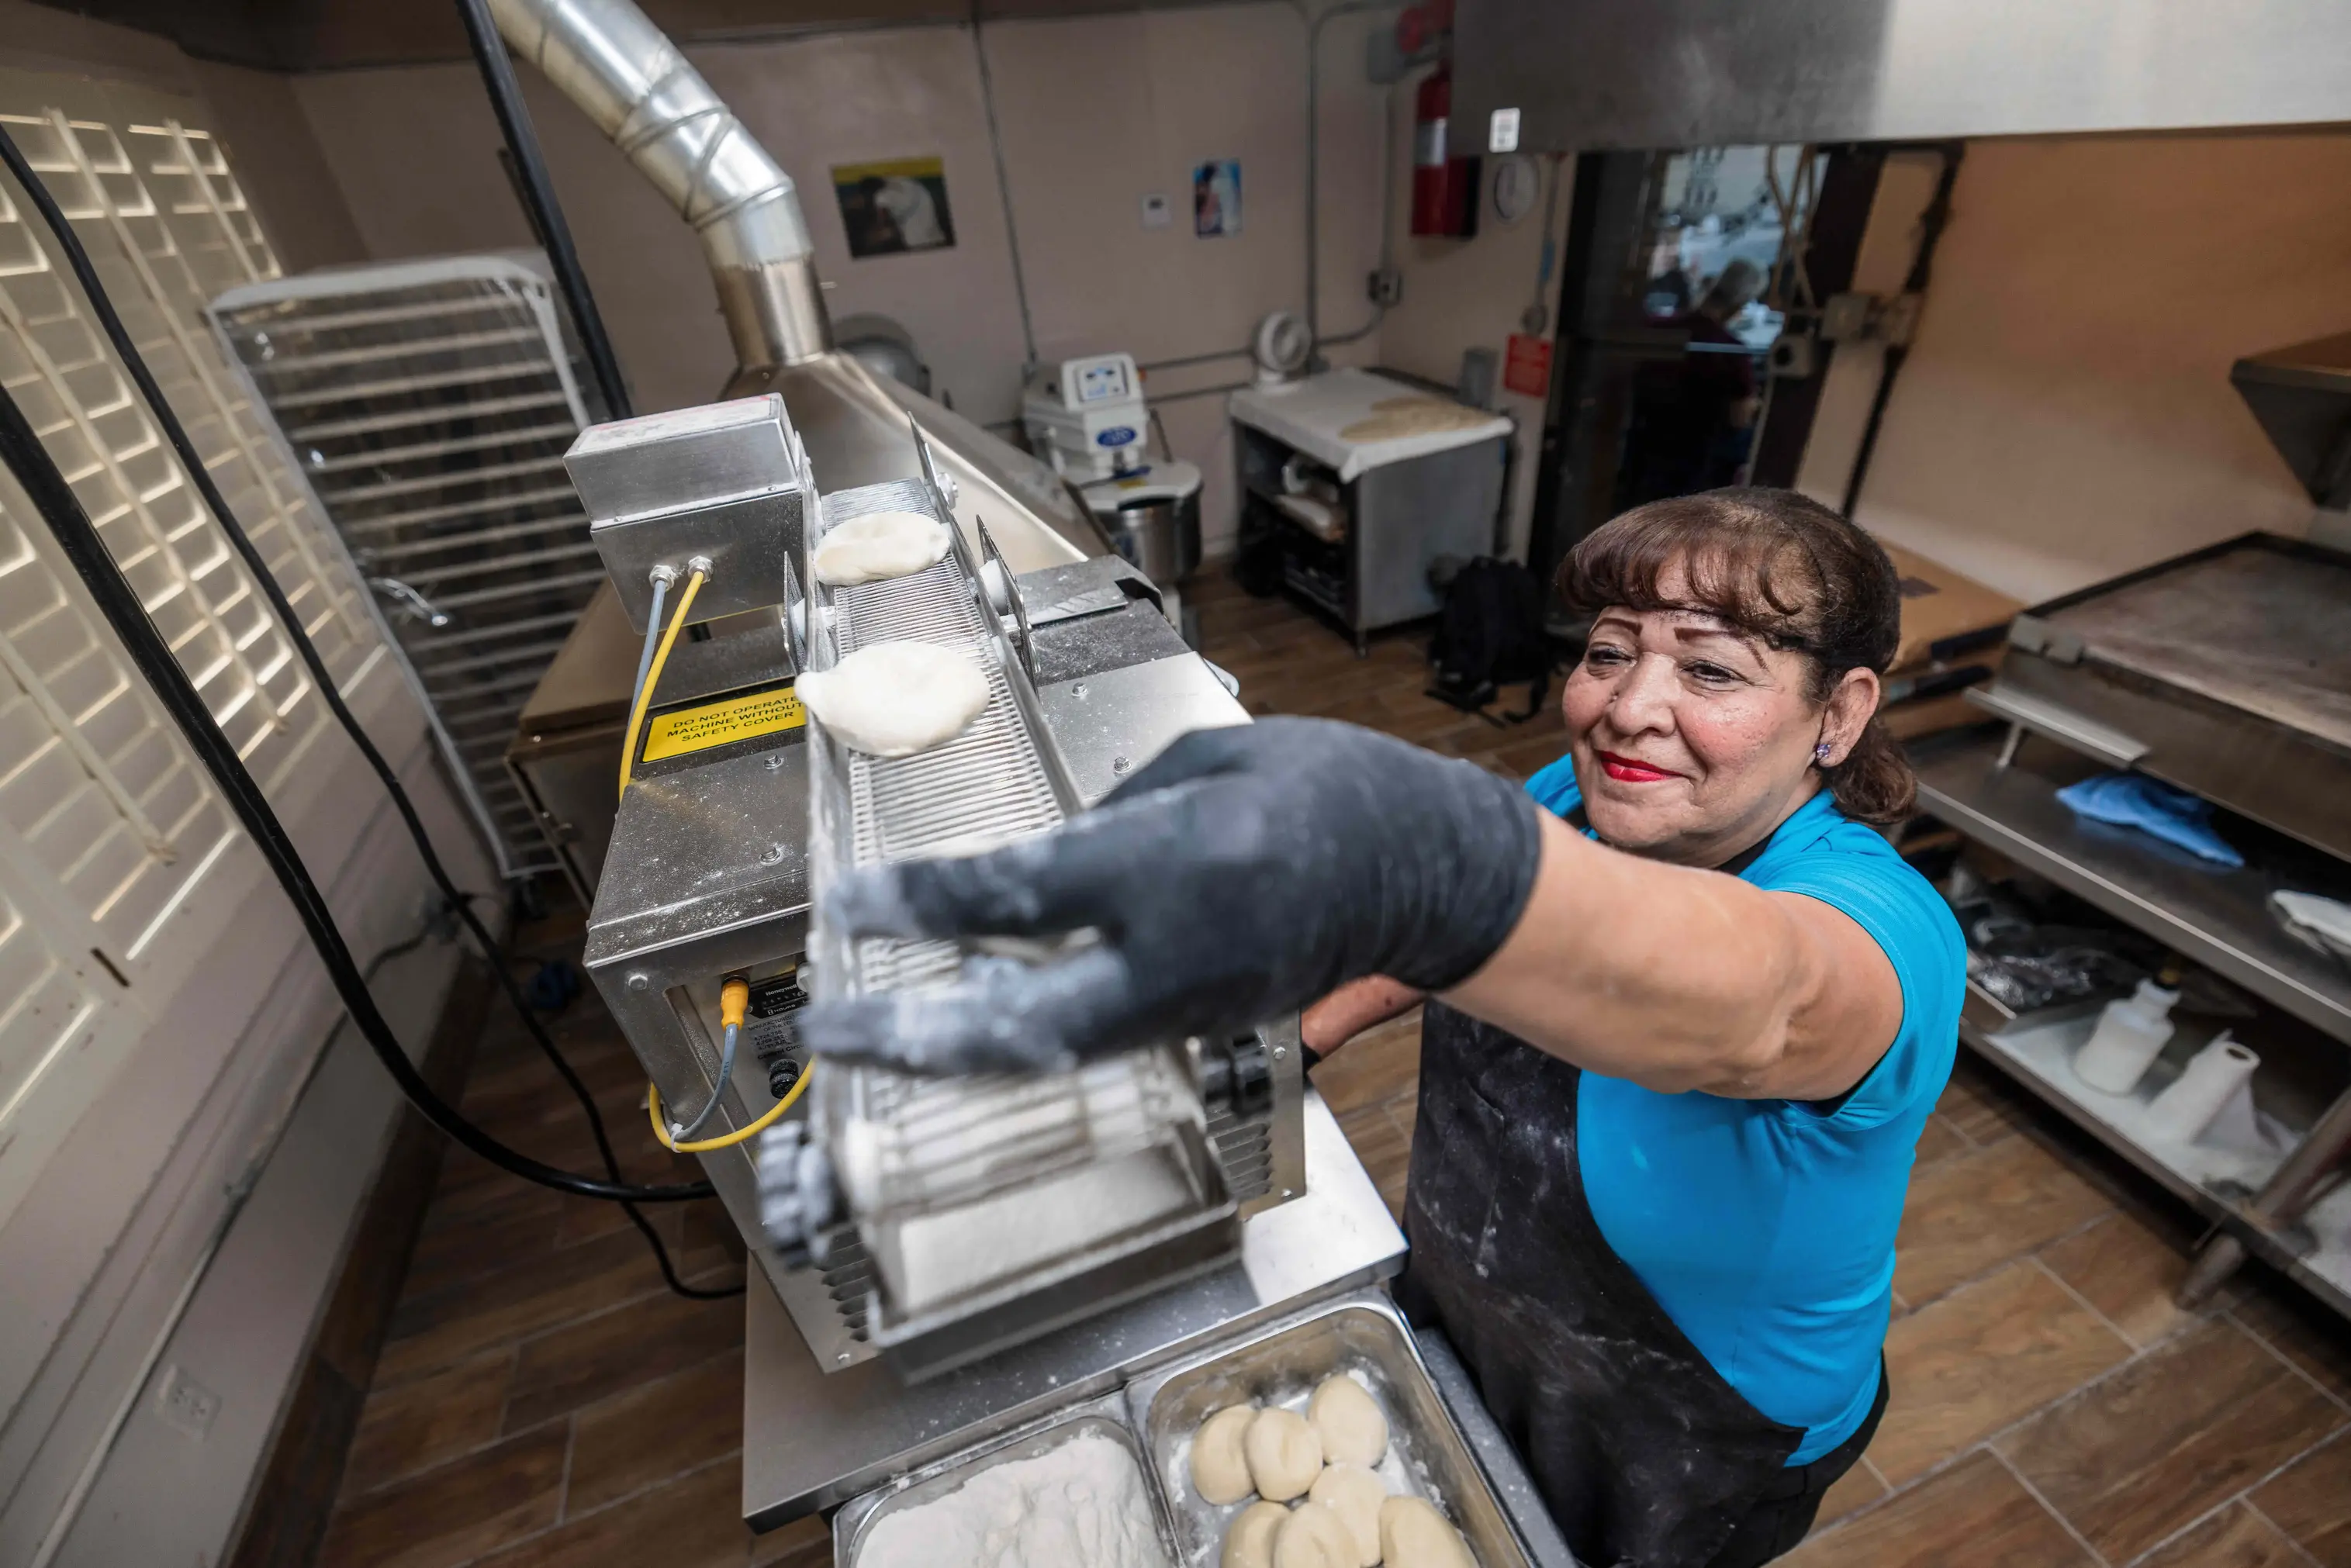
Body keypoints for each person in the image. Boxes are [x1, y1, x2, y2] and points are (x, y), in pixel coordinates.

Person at [801, 487, 1966, 1568]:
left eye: (1710, 670)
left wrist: (1435, 857)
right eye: (1610, 651)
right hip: (1473, 1295)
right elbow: (1424, 953)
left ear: (1838, 713)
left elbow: (1758, 1008)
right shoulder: (1586, 798)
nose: (1628, 707)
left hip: (1682, 1421)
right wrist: (1290, 1042)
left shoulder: (1882, 932)